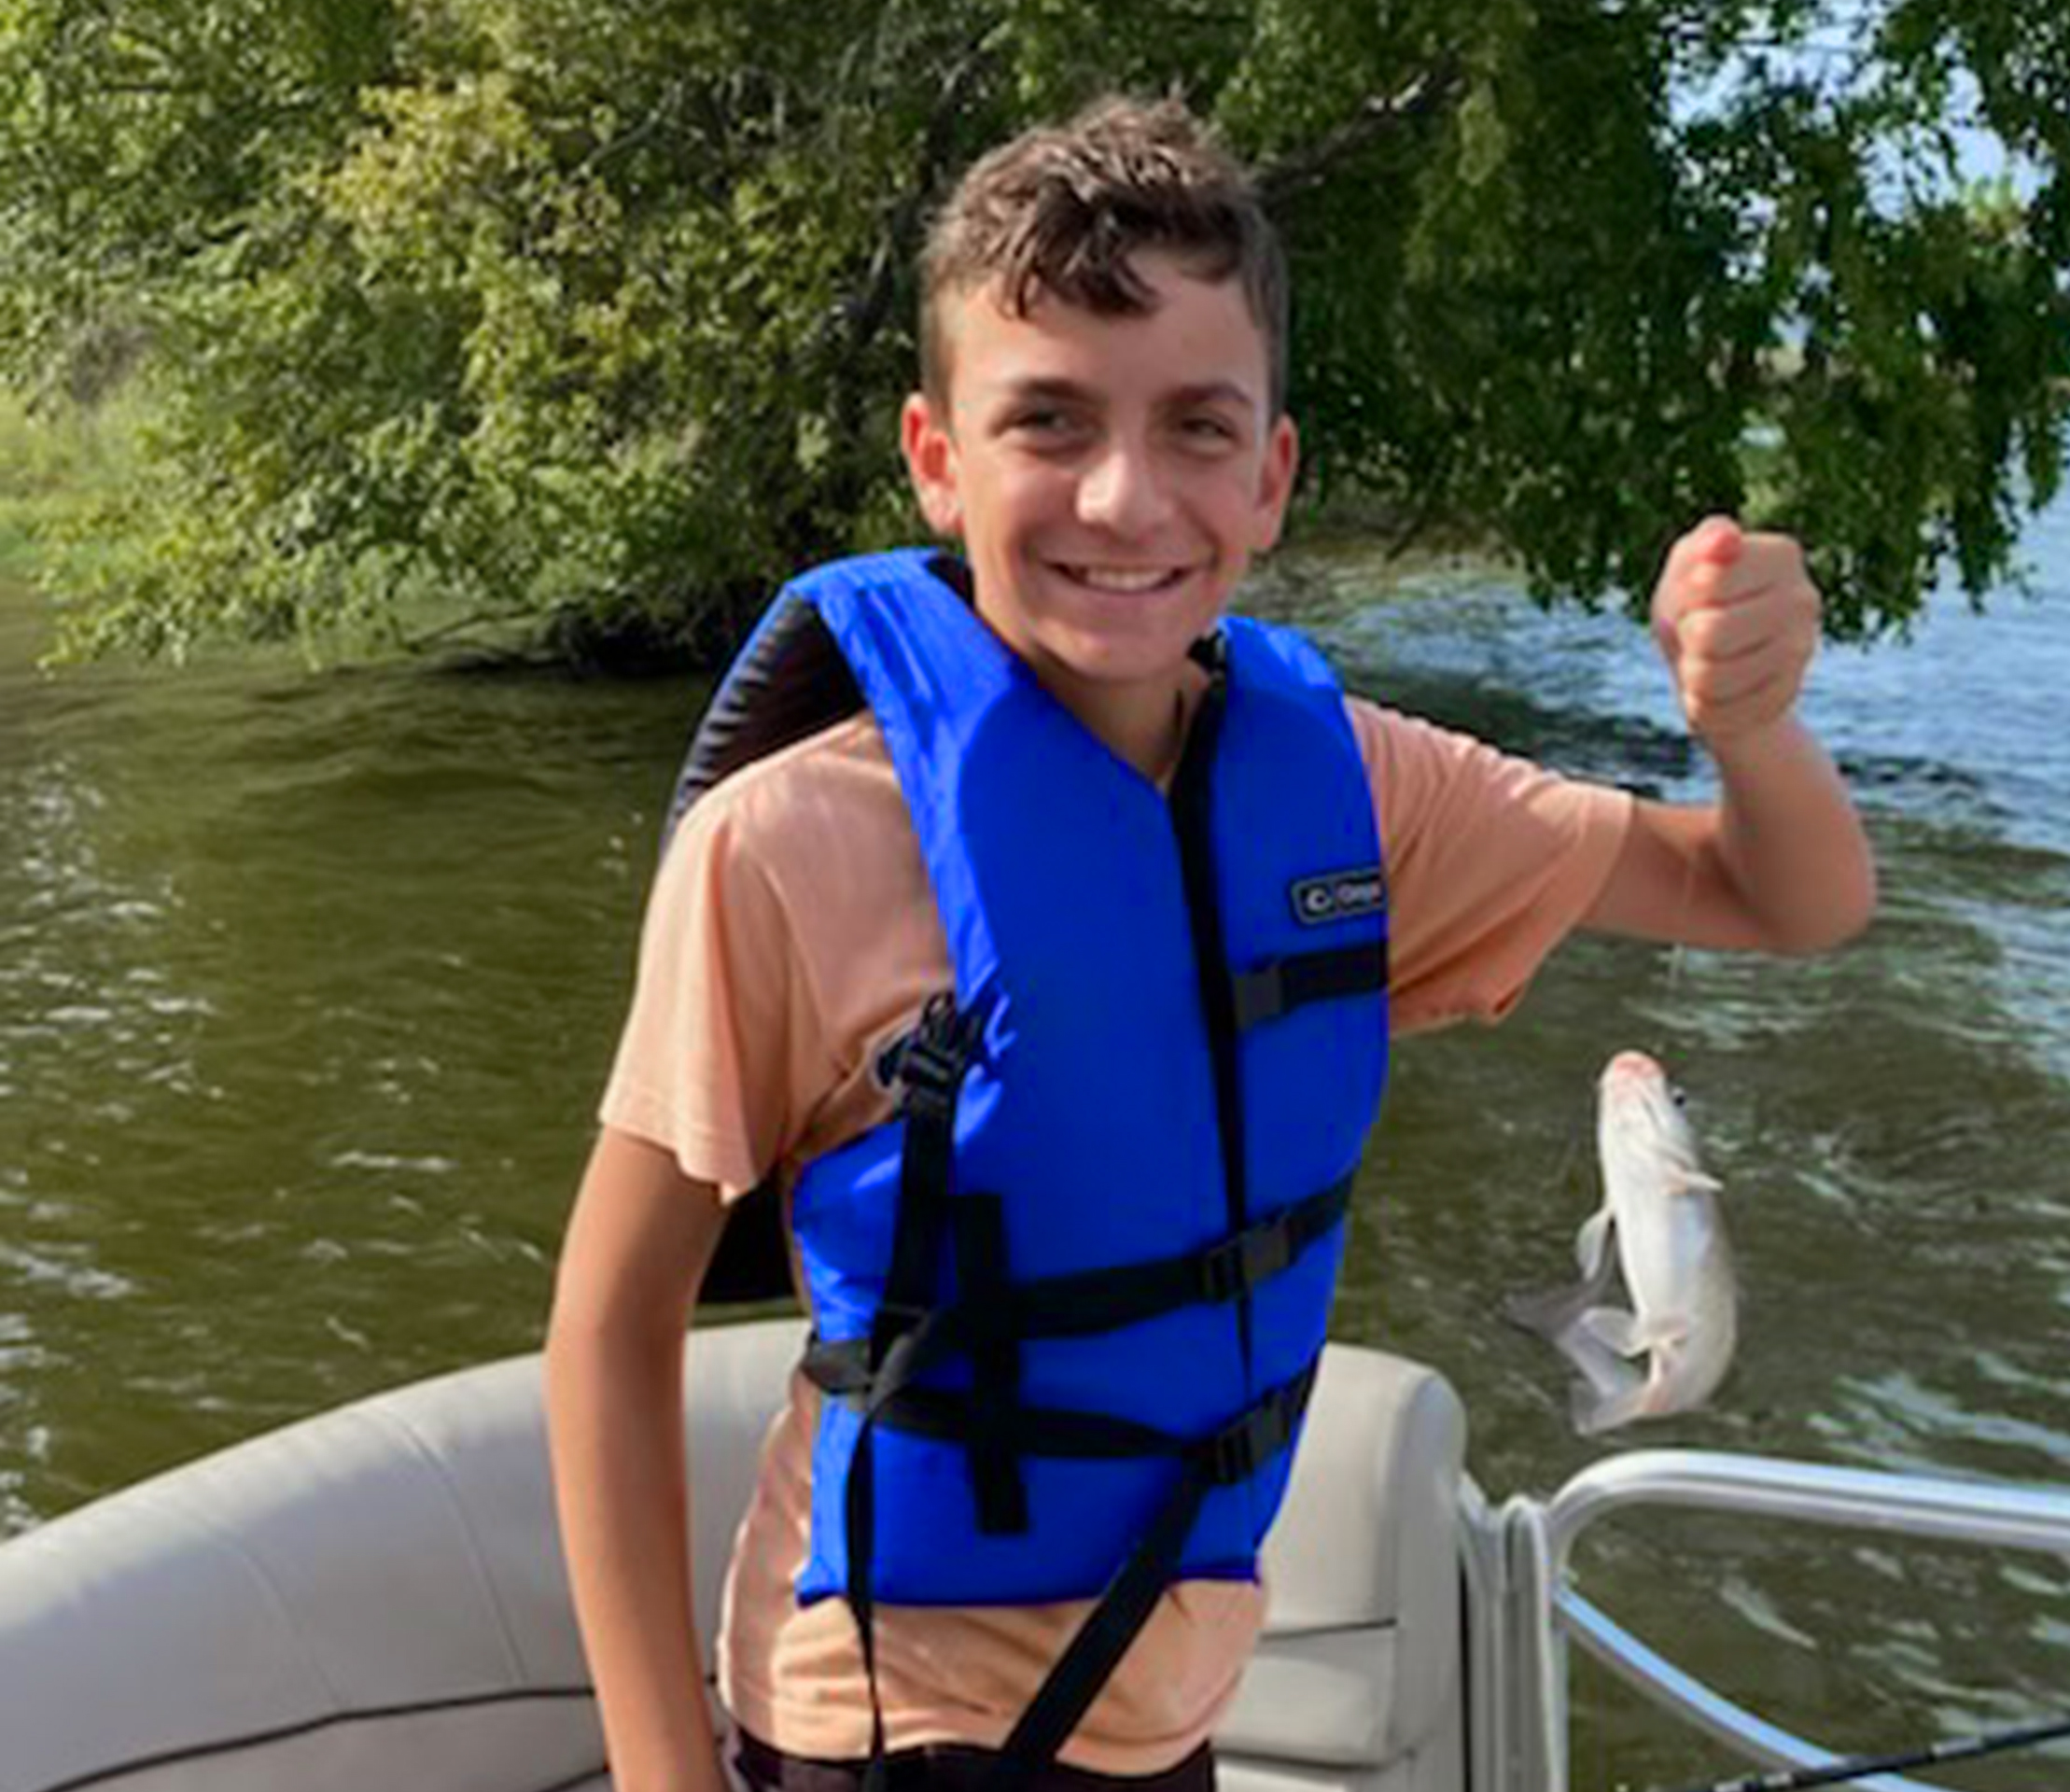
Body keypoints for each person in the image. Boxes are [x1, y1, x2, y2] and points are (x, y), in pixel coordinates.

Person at [545, 94, 1875, 1792]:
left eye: (1195, 427)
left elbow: (1786, 898)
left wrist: (1752, 726)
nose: (1124, 496)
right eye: (1047, 421)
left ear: (1271, 477)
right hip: (885, 1727)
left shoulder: (1359, 793)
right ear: (937, 460)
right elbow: (609, 1317)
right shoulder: (786, 846)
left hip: (1166, 1702)